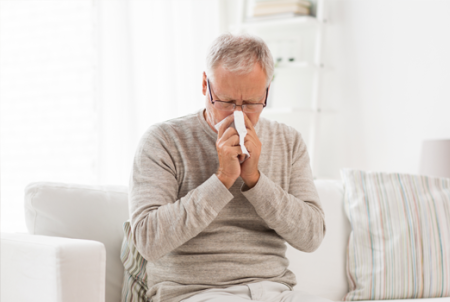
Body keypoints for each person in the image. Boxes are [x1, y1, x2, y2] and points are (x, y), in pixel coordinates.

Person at [129, 33, 329, 302]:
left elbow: (312, 236)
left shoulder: (288, 141)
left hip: (275, 291)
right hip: (194, 292)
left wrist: (256, 180)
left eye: (250, 104)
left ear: (267, 91)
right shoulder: (163, 140)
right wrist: (222, 180)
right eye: (224, 101)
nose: (238, 115)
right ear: (204, 85)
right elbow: (148, 242)